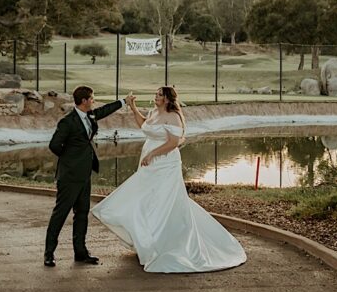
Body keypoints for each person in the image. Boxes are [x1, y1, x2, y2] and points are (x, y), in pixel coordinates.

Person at [92, 86, 247, 273]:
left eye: (158, 95)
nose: (155, 97)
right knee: (146, 198)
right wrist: (133, 108)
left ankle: (167, 243)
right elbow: (144, 126)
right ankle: (149, 241)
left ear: (166, 99)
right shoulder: (153, 112)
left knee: (165, 201)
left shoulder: (173, 116)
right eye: (156, 94)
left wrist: (153, 154)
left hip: (165, 163)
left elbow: (173, 143)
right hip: (150, 162)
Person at [43, 86, 132, 267]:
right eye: (92, 98)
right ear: (83, 101)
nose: (94, 101)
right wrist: (70, 159)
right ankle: (49, 253)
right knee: (60, 214)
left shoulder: (90, 115)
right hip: (69, 176)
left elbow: (103, 111)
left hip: (85, 174)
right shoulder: (67, 122)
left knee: (82, 214)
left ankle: (80, 253)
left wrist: (124, 101)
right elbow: (54, 146)